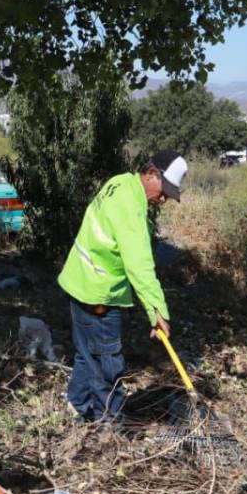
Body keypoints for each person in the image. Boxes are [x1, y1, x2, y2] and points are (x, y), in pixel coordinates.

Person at [57, 150, 188, 423]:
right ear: (152, 173)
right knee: (108, 361)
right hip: (100, 293)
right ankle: (110, 422)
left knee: (87, 353)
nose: (163, 199)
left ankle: (79, 406)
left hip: (78, 280)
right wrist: (157, 311)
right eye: (164, 191)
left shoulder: (120, 182)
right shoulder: (131, 206)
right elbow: (138, 265)